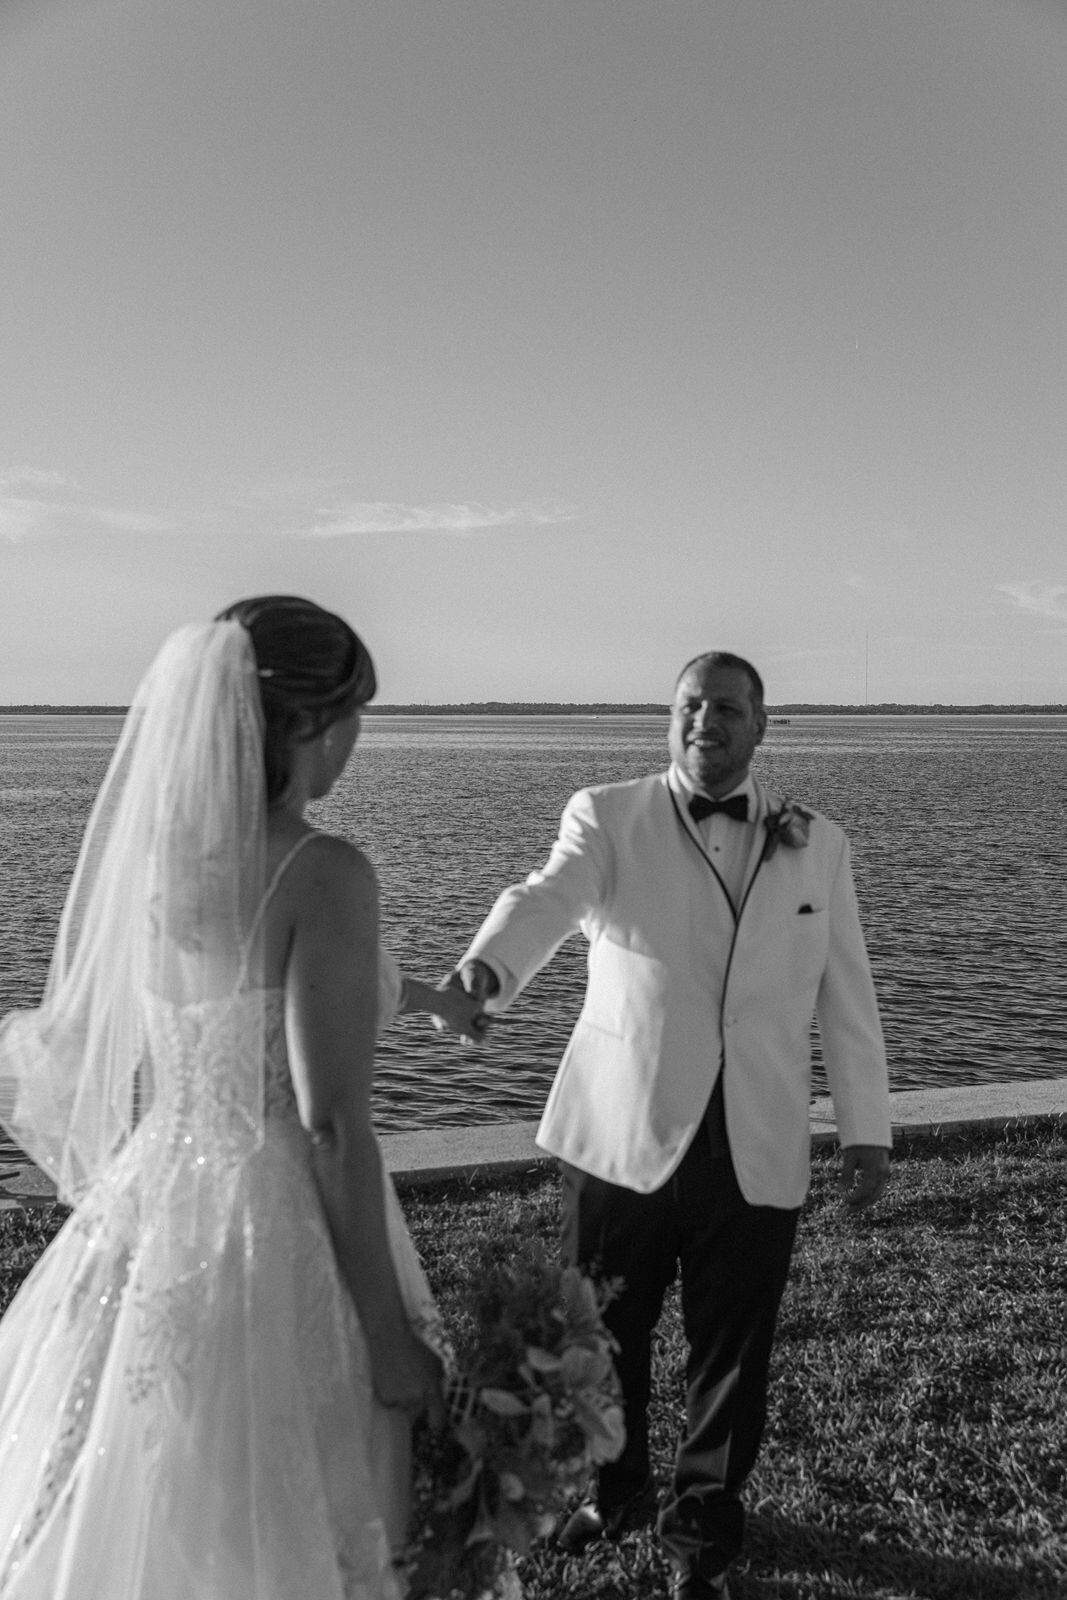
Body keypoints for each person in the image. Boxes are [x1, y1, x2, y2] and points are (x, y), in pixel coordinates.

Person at [0, 595, 482, 1600]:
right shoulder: (325, 871)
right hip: (278, 1218)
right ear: (305, 723)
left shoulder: (162, 866)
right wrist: (391, 1343)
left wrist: (430, 993)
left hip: (157, 1200)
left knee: (153, 1498)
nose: (356, 740)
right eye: (354, 715)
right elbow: (332, 1124)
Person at [447, 651, 892, 1600]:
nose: (705, 722)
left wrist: (866, 1127)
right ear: (671, 716)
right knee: (603, 1332)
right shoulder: (607, 815)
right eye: (690, 706)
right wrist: (488, 972)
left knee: (732, 1345)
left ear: (759, 726)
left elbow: (846, 995)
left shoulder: (819, 843)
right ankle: (614, 1490)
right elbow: (547, 897)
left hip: (755, 1133)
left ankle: (704, 1530)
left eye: (726, 709)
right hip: (621, 1130)